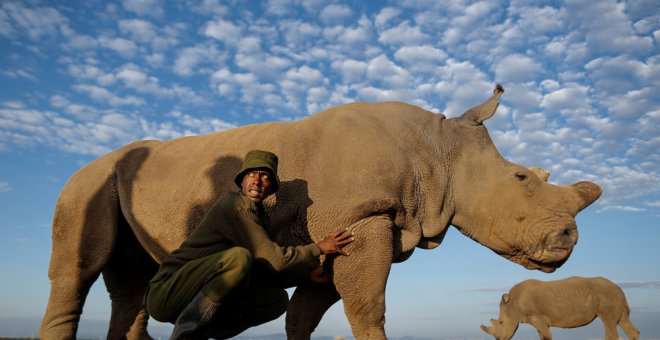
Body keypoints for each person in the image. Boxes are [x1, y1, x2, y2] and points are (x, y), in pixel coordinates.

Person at [144, 149, 354, 339]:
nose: (257, 181)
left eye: (265, 176)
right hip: (166, 292)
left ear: (271, 186)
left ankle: (204, 331)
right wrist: (318, 248)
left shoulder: (259, 218)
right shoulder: (235, 205)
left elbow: (265, 268)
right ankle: (185, 336)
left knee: (277, 300)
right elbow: (274, 259)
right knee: (238, 258)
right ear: (242, 182)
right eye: (251, 174)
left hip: (193, 299)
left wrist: (305, 275)